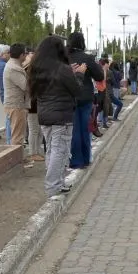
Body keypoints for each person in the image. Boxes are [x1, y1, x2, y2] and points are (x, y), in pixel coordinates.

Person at [30, 35, 82, 196]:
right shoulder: (62, 69)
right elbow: (77, 90)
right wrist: (79, 74)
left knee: (52, 150)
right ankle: (53, 185)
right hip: (61, 116)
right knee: (60, 150)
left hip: (45, 115)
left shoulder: (36, 68)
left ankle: (58, 182)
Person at [66, 32, 103, 170]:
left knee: (74, 129)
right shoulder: (87, 58)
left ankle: (76, 160)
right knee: (85, 128)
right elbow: (99, 76)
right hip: (86, 97)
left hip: (70, 97)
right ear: (82, 42)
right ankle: (86, 158)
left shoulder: (64, 57)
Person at [3, 44, 29, 148]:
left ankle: (17, 159)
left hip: (15, 105)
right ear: (21, 55)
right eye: (25, 53)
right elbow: (26, 86)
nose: (26, 56)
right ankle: (18, 160)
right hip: (16, 105)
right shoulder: (14, 68)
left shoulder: (14, 65)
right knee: (17, 136)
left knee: (17, 134)